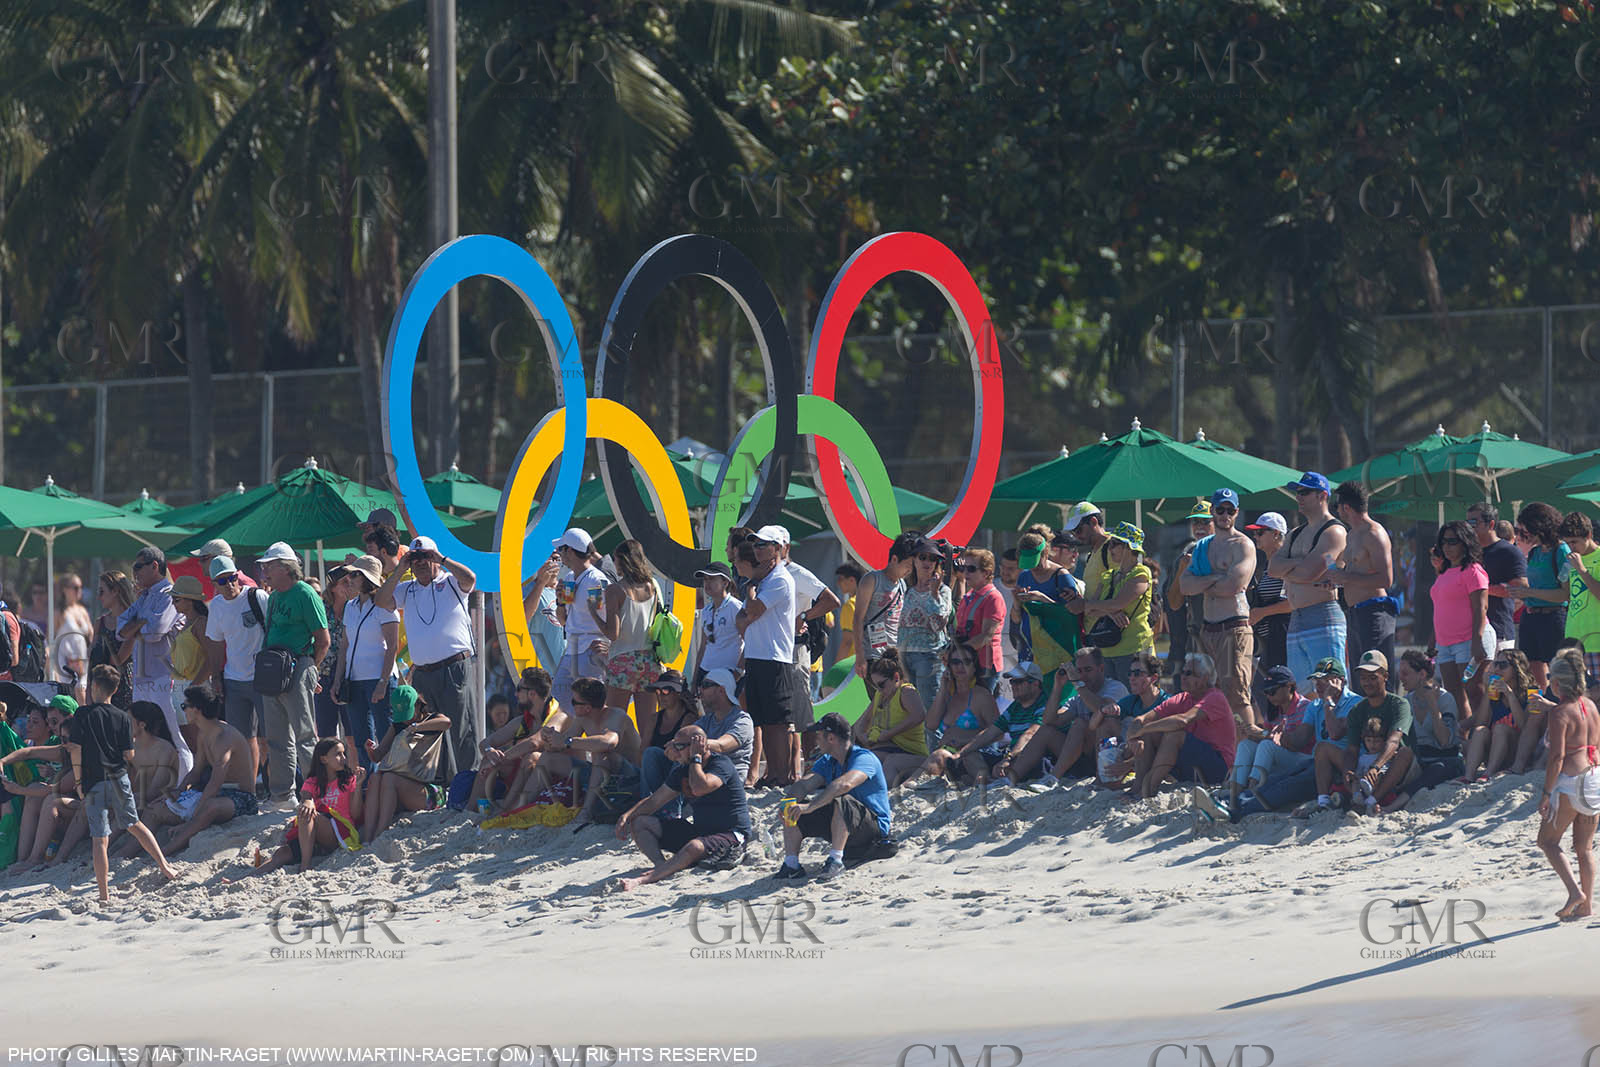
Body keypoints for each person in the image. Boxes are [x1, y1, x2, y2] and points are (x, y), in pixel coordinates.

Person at [55, 665, 178, 901]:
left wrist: (79, 780)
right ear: (116, 688)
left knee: (99, 839)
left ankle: (104, 895)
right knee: (135, 825)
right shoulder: (123, 716)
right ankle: (164, 866)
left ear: (95, 686)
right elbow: (129, 756)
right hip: (119, 778)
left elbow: (76, 749)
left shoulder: (83, 715)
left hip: (94, 782)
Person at [376, 535, 479, 780]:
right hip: (423, 672)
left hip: (454, 666)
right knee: (430, 731)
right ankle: (442, 783)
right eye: (416, 558)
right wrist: (401, 568)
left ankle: (466, 783)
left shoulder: (451, 581)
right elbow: (381, 601)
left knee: (461, 728)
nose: (421, 562)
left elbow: (471, 578)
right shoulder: (407, 588)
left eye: (426, 556)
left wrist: (442, 559)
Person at [616, 724, 750, 890]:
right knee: (640, 822)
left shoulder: (721, 763)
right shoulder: (682, 770)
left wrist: (695, 758)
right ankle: (661, 865)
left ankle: (644, 879)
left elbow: (700, 787)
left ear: (696, 746)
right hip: (701, 832)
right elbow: (655, 800)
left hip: (731, 835)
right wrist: (627, 816)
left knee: (694, 846)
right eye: (674, 745)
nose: (675, 751)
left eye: (679, 746)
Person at [775, 712, 894, 881]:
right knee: (794, 805)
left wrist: (810, 807)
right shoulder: (827, 761)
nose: (816, 740)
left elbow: (844, 785)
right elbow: (804, 784)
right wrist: (787, 804)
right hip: (846, 826)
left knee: (841, 798)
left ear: (830, 738)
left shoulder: (864, 757)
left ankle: (836, 860)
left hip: (873, 831)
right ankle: (791, 864)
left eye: (818, 736)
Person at [255, 542, 330, 804]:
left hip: (298, 665)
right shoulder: (274, 596)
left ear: (285, 567)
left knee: (305, 735)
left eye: (269, 565)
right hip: (275, 670)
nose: (264, 570)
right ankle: (282, 795)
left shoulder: (305, 593)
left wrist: (311, 670)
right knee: (276, 738)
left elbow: (323, 639)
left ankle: (315, 792)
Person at [1178, 489, 1257, 731]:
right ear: (1212, 511)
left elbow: (1233, 586)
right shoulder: (1202, 547)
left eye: (1230, 510)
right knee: (1209, 695)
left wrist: (1203, 582)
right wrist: (1217, 577)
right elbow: (1184, 585)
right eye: (1220, 510)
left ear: (1236, 512)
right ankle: (1227, 755)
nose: (1224, 515)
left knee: (1237, 696)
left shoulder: (1243, 544)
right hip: (1207, 630)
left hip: (1234, 628)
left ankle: (1246, 755)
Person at [1267, 473, 1349, 698]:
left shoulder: (1334, 531)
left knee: (1333, 689)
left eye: (1304, 492)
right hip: (1296, 619)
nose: (1298, 497)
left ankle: (1335, 734)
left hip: (1323, 617)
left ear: (1322, 495)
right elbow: (1272, 568)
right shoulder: (1295, 533)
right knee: (1302, 693)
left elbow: (1308, 573)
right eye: (1297, 492)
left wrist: (1295, 568)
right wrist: (1301, 563)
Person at [115, 547, 194, 779]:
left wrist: (136, 626)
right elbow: (120, 630)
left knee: (176, 737)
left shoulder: (170, 593)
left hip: (165, 676)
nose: (135, 572)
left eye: (138, 566)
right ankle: (153, 786)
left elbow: (155, 633)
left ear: (154, 566)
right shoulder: (145, 597)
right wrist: (141, 624)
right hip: (143, 678)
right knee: (142, 736)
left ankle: (183, 788)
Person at [523, 676, 643, 828]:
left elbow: (608, 742)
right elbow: (562, 744)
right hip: (600, 775)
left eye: (574, 702)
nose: (571, 705)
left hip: (629, 777)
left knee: (601, 753)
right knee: (548, 758)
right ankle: (521, 807)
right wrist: (551, 739)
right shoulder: (582, 718)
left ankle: (586, 812)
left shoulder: (616, 715)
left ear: (587, 707)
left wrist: (567, 742)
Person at [153, 686, 260, 854]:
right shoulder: (204, 733)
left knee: (210, 806)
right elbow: (196, 772)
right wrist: (179, 791)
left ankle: (168, 850)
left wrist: (193, 817)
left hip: (242, 797)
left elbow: (215, 783)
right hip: (216, 794)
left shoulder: (225, 737)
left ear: (196, 710)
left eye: (184, 706)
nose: (183, 710)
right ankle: (125, 852)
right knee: (157, 806)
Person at [1117, 652, 1235, 800]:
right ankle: (1137, 787)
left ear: (1205, 678)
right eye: (1182, 672)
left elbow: (1183, 720)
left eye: (1189, 673)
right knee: (1150, 734)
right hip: (1192, 767)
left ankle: (1148, 790)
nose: (1183, 676)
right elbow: (1143, 719)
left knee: (1174, 734)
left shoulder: (1215, 697)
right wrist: (1135, 736)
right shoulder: (1182, 698)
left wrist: (1143, 729)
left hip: (1219, 769)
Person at [1536, 647, 1598, 920]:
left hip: (1570, 784)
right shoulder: (1591, 706)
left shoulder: (1559, 713)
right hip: (1594, 779)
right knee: (1584, 848)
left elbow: (1557, 757)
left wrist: (1547, 792)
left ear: (1558, 682)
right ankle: (1587, 907)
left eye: (1550, 677)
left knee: (1547, 841)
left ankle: (1575, 892)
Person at [1009, 646, 1128, 787]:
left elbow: (1102, 708)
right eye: (1079, 671)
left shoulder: (1115, 687)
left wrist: (1077, 683)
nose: (1082, 676)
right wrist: (1058, 687)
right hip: (1084, 757)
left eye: (1088, 670)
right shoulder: (1079, 697)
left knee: (1080, 723)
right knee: (1046, 731)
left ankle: (1053, 777)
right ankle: (1011, 777)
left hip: (1112, 755)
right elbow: (1049, 720)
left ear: (1101, 669)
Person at [736, 526, 799, 789]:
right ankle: (773, 773)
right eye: (756, 545)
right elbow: (741, 621)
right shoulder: (766, 579)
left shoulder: (779, 579)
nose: (758, 548)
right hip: (758, 655)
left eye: (764, 544)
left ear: (777, 549)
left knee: (778, 722)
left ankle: (781, 775)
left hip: (775, 657)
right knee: (764, 719)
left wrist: (750, 586)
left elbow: (752, 610)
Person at [1313, 651, 1414, 812]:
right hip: (1365, 765)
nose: (1367, 683)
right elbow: (1352, 750)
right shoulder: (1357, 710)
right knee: (1323, 748)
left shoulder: (1399, 704)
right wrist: (1348, 773)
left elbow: (1394, 741)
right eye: (1363, 678)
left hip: (1393, 767)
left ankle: (1372, 801)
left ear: (1385, 677)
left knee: (1406, 753)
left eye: (1373, 677)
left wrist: (1375, 767)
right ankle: (1324, 802)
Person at [250, 738, 367, 876]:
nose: (343, 758)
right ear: (323, 759)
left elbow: (356, 814)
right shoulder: (313, 781)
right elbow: (306, 795)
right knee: (282, 853)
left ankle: (305, 866)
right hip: (313, 836)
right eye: (338, 754)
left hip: (340, 832)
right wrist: (308, 801)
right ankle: (244, 878)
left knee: (309, 814)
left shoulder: (349, 780)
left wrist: (358, 786)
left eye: (343, 753)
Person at [203, 556, 270, 793]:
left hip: (264, 678)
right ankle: (249, 790)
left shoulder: (257, 597)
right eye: (223, 581)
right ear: (214, 584)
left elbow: (275, 628)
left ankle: (276, 787)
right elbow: (215, 643)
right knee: (242, 739)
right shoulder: (217, 607)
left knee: (270, 737)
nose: (230, 585)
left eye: (232, 578)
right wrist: (216, 676)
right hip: (234, 679)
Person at [329, 554, 399, 770]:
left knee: (385, 735)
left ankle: (388, 781)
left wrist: (383, 682)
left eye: (355, 574)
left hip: (378, 679)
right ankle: (368, 783)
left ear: (367, 578)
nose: (350, 578)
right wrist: (338, 680)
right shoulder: (350, 606)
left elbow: (392, 647)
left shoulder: (385, 607)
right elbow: (344, 646)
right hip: (355, 680)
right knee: (361, 738)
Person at [959, 661, 1068, 786]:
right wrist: (960, 753)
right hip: (1013, 754)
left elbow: (1030, 734)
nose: (1013, 685)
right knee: (969, 755)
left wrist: (1008, 759)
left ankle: (989, 781)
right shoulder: (1015, 706)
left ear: (1035, 684)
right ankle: (989, 782)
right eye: (1012, 681)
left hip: (1031, 757)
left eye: (1018, 681)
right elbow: (990, 733)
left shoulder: (1046, 704)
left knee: (1032, 762)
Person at [1220, 664, 1314, 810]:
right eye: (1266, 692)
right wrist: (1253, 733)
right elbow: (1270, 736)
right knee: (1246, 745)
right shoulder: (1276, 710)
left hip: (1304, 761)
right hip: (1283, 759)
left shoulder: (1305, 707)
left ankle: (1251, 794)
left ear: (1290, 686)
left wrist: (1262, 733)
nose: (1269, 696)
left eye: (1272, 690)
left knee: (1266, 746)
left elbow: (1295, 743)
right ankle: (1233, 790)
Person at [362, 685, 448, 842]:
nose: (407, 720)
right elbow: (378, 756)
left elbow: (446, 722)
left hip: (432, 792)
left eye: (408, 713)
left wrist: (417, 727)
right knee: (375, 778)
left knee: (389, 778)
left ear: (418, 704)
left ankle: (380, 834)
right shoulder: (398, 725)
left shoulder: (432, 720)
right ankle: (368, 836)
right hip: (401, 791)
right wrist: (370, 750)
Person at [601, 539, 665, 745]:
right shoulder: (652, 586)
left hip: (623, 660)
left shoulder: (615, 590)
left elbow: (613, 633)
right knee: (647, 725)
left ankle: (614, 770)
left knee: (612, 724)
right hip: (649, 660)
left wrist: (595, 613)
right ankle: (646, 769)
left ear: (622, 561)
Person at [1331, 483, 1397, 685]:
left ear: (1346, 507)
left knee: (1376, 676)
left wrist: (1347, 578)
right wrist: (1337, 579)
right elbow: (1353, 573)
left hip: (1374, 611)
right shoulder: (1352, 535)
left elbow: (1386, 579)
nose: (1338, 511)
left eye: (1338, 506)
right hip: (1354, 612)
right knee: (1360, 679)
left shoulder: (1373, 533)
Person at [1382, 649, 1464, 811]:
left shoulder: (1445, 698)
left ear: (1421, 674)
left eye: (1405, 673)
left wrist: (1433, 705)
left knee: (1436, 770)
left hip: (1446, 759)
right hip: (1419, 760)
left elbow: (1445, 741)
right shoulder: (1405, 702)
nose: (1401, 678)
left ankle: (1392, 806)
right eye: (1400, 673)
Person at [1073, 522, 1154, 686]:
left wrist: (1104, 607)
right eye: (1110, 543)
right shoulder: (1108, 575)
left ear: (1129, 548)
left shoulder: (1141, 572)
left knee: (1137, 697)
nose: (1110, 548)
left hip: (1134, 649)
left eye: (1115, 544)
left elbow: (1117, 603)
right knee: (1113, 700)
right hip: (1106, 649)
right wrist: (1110, 612)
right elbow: (1090, 610)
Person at [911, 643, 1002, 787]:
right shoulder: (949, 695)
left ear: (974, 666)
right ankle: (907, 786)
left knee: (939, 755)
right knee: (895, 761)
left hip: (977, 756)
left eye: (966, 662)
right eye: (955, 662)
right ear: (949, 667)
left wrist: (963, 737)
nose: (961, 666)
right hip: (953, 757)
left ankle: (908, 785)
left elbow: (998, 733)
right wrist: (942, 689)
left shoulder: (981, 695)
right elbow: (931, 725)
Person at [1431, 520, 1494, 726]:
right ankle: (1465, 741)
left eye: (1453, 542)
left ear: (1465, 542)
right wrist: (1433, 639)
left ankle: (1483, 737)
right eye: (1443, 542)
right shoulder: (1444, 572)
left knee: (1474, 692)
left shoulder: (1473, 570)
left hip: (1469, 639)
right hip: (1445, 643)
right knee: (1453, 696)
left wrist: (1477, 641)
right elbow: (1441, 607)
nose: (1447, 547)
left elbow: (1480, 608)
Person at [472, 666, 557, 813]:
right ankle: (471, 810)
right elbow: (485, 742)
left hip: (552, 779)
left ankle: (505, 810)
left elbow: (533, 743)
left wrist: (500, 759)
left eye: (519, 689)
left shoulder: (556, 716)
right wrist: (489, 751)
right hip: (524, 778)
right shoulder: (522, 721)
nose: (515, 694)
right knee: (488, 759)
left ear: (532, 694)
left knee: (532, 757)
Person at [1507, 503, 1570, 686]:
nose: (1523, 533)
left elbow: (1564, 594)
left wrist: (1529, 592)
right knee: (1529, 667)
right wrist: (1520, 594)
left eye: (1525, 528)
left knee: (1557, 666)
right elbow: (1534, 585)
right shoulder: (1535, 551)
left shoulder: (1561, 550)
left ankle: (1556, 703)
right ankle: (1539, 703)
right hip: (1531, 615)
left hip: (1553, 616)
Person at [549, 528, 610, 715]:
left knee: (590, 707)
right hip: (573, 648)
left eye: (562, 549)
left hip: (591, 650)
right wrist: (560, 601)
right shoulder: (569, 578)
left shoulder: (596, 580)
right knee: (558, 700)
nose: (559, 554)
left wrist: (608, 645)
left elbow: (607, 616)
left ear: (571, 551)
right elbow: (564, 621)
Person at [1460, 649, 1540, 782]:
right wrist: (1487, 692)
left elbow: (1526, 729)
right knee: (1481, 731)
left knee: (1501, 728)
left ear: (1517, 668)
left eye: (1502, 665)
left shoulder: (1533, 692)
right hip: (1495, 751)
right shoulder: (1495, 692)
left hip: (1517, 752)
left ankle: (1489, 773)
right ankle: (1469, 776)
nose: (1497, 669)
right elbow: (1480, 723)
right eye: (1495, 665)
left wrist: (1510, 695)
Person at [853, 650, 929, 787]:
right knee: (865, 758)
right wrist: (863, 737)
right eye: (875, 685)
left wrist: (889, 734)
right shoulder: (880, 694)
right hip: (892, 749)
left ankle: (885, 796)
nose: (879, 689)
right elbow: (861, 722)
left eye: (882, 685)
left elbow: (919, 715)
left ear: (896, 677)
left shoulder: (905, 692)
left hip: (914, 753)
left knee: (891, 761)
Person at [1011, 532, 1080, 676]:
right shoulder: (1024, 576)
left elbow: (1073, 615)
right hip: (1030, 648)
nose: (1033, 567)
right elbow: (1016, 619)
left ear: (1046, 552)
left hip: (1058, 650)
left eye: (1035, 561)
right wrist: (1017, 602)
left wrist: (1042, 599)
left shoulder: (1061, 577)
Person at [637, 669, 702, 816]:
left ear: (678, 693)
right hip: (657, 778)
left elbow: (685, 755)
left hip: (681, 782)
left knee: (679, 757)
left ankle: (672, 812)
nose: (660, 695)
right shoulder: (654, 718)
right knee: (649, 753)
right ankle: (646, 803)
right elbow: (642, 751)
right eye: (658, 691)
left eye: (666, 690)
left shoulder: (689, 718)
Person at [850, 533, 916, 674]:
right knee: (879, 695)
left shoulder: (902, 585)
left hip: (895, 654)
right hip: (873, 654)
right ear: (894, 559)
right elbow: (857, 619)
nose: (909, 571)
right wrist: (860, 656)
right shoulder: (872, 580)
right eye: (907, 566)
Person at [1166, 501, 1215, 685]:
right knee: (1193, 694)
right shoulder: (1185, 556)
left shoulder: (1229, 550)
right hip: (1196, 637)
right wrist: (1182, 570)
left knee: (1230, 696)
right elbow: (1174, 603)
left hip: (1226, 634)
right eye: (1195, 522)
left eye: (1205, 522)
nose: (1199, 527)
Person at [897, 544, 953, 705]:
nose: (927, 562)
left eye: (933, 558)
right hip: (904, 657)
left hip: (930, 657)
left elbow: (939, 623)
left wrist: (934, 593)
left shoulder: (943, 591)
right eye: (923, 557)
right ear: (914, 560)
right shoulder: (906, 589)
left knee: (930, 712)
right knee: (911, 712)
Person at [1470, 501, 1527, 654]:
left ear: (1491, 524)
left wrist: (1481, 590)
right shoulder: (1468, 552)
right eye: (1468, 522)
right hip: (1468, 630)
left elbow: (1520, 589)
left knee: (1499, 677)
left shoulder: (1508, 552)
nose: (1470, 526)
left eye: (1474, 522)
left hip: (1499, 630)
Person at [1244, 514, 1292, 680]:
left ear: (1277, 534)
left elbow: (1293, 602)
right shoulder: (1267, 565)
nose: (1255, 537)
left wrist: (1261, 612)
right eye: (1255, 533)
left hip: (1283, 638)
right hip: (1269, 641)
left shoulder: (1285, 562)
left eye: (1260, 532)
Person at [1558, 511, 1600, 699]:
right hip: (1574, 639)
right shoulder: (1571, 560)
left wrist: (1582, 570)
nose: (1570, 547)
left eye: (1574, 542)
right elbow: (1568, 595)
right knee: (1578, 699)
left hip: (1596, 640)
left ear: (1589, 535)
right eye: (1567, 542)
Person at [694, 668, 756, 788]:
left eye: (705, 685)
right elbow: (690, 734)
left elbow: (721, 746)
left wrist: (693, 743)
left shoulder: (742, 720)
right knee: (654, 754)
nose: (700, 690)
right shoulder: (706, 720)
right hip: (708, 773)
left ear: (722, 690)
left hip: (729, 777)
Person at [954, 548, 1007, 684]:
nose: (965, 572)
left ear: (986, 573)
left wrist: (958, 652)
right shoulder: (969, 596)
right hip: (967, 664)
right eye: (963, 567)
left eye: (971, 568)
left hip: (985, 667)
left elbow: (986, 636)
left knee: (982, 705)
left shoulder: (993, 597)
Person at [690, 563, 742, 687]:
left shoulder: (735, 607)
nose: (707, 583)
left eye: (712, 578)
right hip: (706, 671)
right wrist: (695, 679)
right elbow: (703, 647)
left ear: (725, 582)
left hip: (727, 672)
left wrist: (739, 672)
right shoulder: (706, 610)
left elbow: (749, 642)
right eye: (705, 579)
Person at [89, 571, 136, 709]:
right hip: (99, 688)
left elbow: (118, 660)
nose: (99, 597)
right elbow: (92, 661)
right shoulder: (100, 622)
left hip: (124, 688)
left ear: (115, 591)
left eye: (102, 591)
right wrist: (88, 692)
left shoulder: (132, 622)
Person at [54, 573, 93, 697]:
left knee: (83, 695)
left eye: (81, 587)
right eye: (75, 587)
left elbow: (91, 636)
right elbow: (51, 641)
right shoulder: (59, 612)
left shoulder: (82, 611)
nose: (79, 591)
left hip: (82, 662)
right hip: (65, 663)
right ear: (65, 589)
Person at [1062, 501, 1109, 596]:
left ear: (1093, 522)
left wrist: (1087, 605)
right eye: (1073, 532)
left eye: (1078, 530)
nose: (1076, 536)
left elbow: (1121, 588)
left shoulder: (1113, 548)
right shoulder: (1092, 553)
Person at [834, 563, 861, 665]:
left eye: (841, 579)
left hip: (854, 664)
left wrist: (836, 669)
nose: (838, 583)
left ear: (852, 580)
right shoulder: (871, 601)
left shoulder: (850, 605)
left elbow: (847, 641)